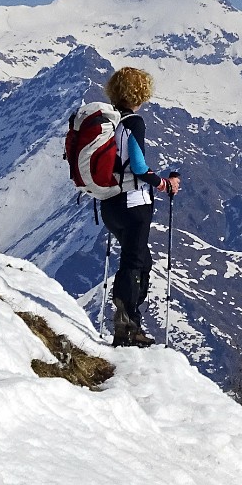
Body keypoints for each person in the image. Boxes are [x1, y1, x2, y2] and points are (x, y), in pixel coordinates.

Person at [101, 67, 180, 347]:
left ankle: (130, 321)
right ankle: (127, 328)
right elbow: (137, 166)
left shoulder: (108, 121)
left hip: (109, 204)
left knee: (141, 261)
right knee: (134, 264)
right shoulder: (134, 122)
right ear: (141, 92)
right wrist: (163, 183)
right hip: (133, 204)